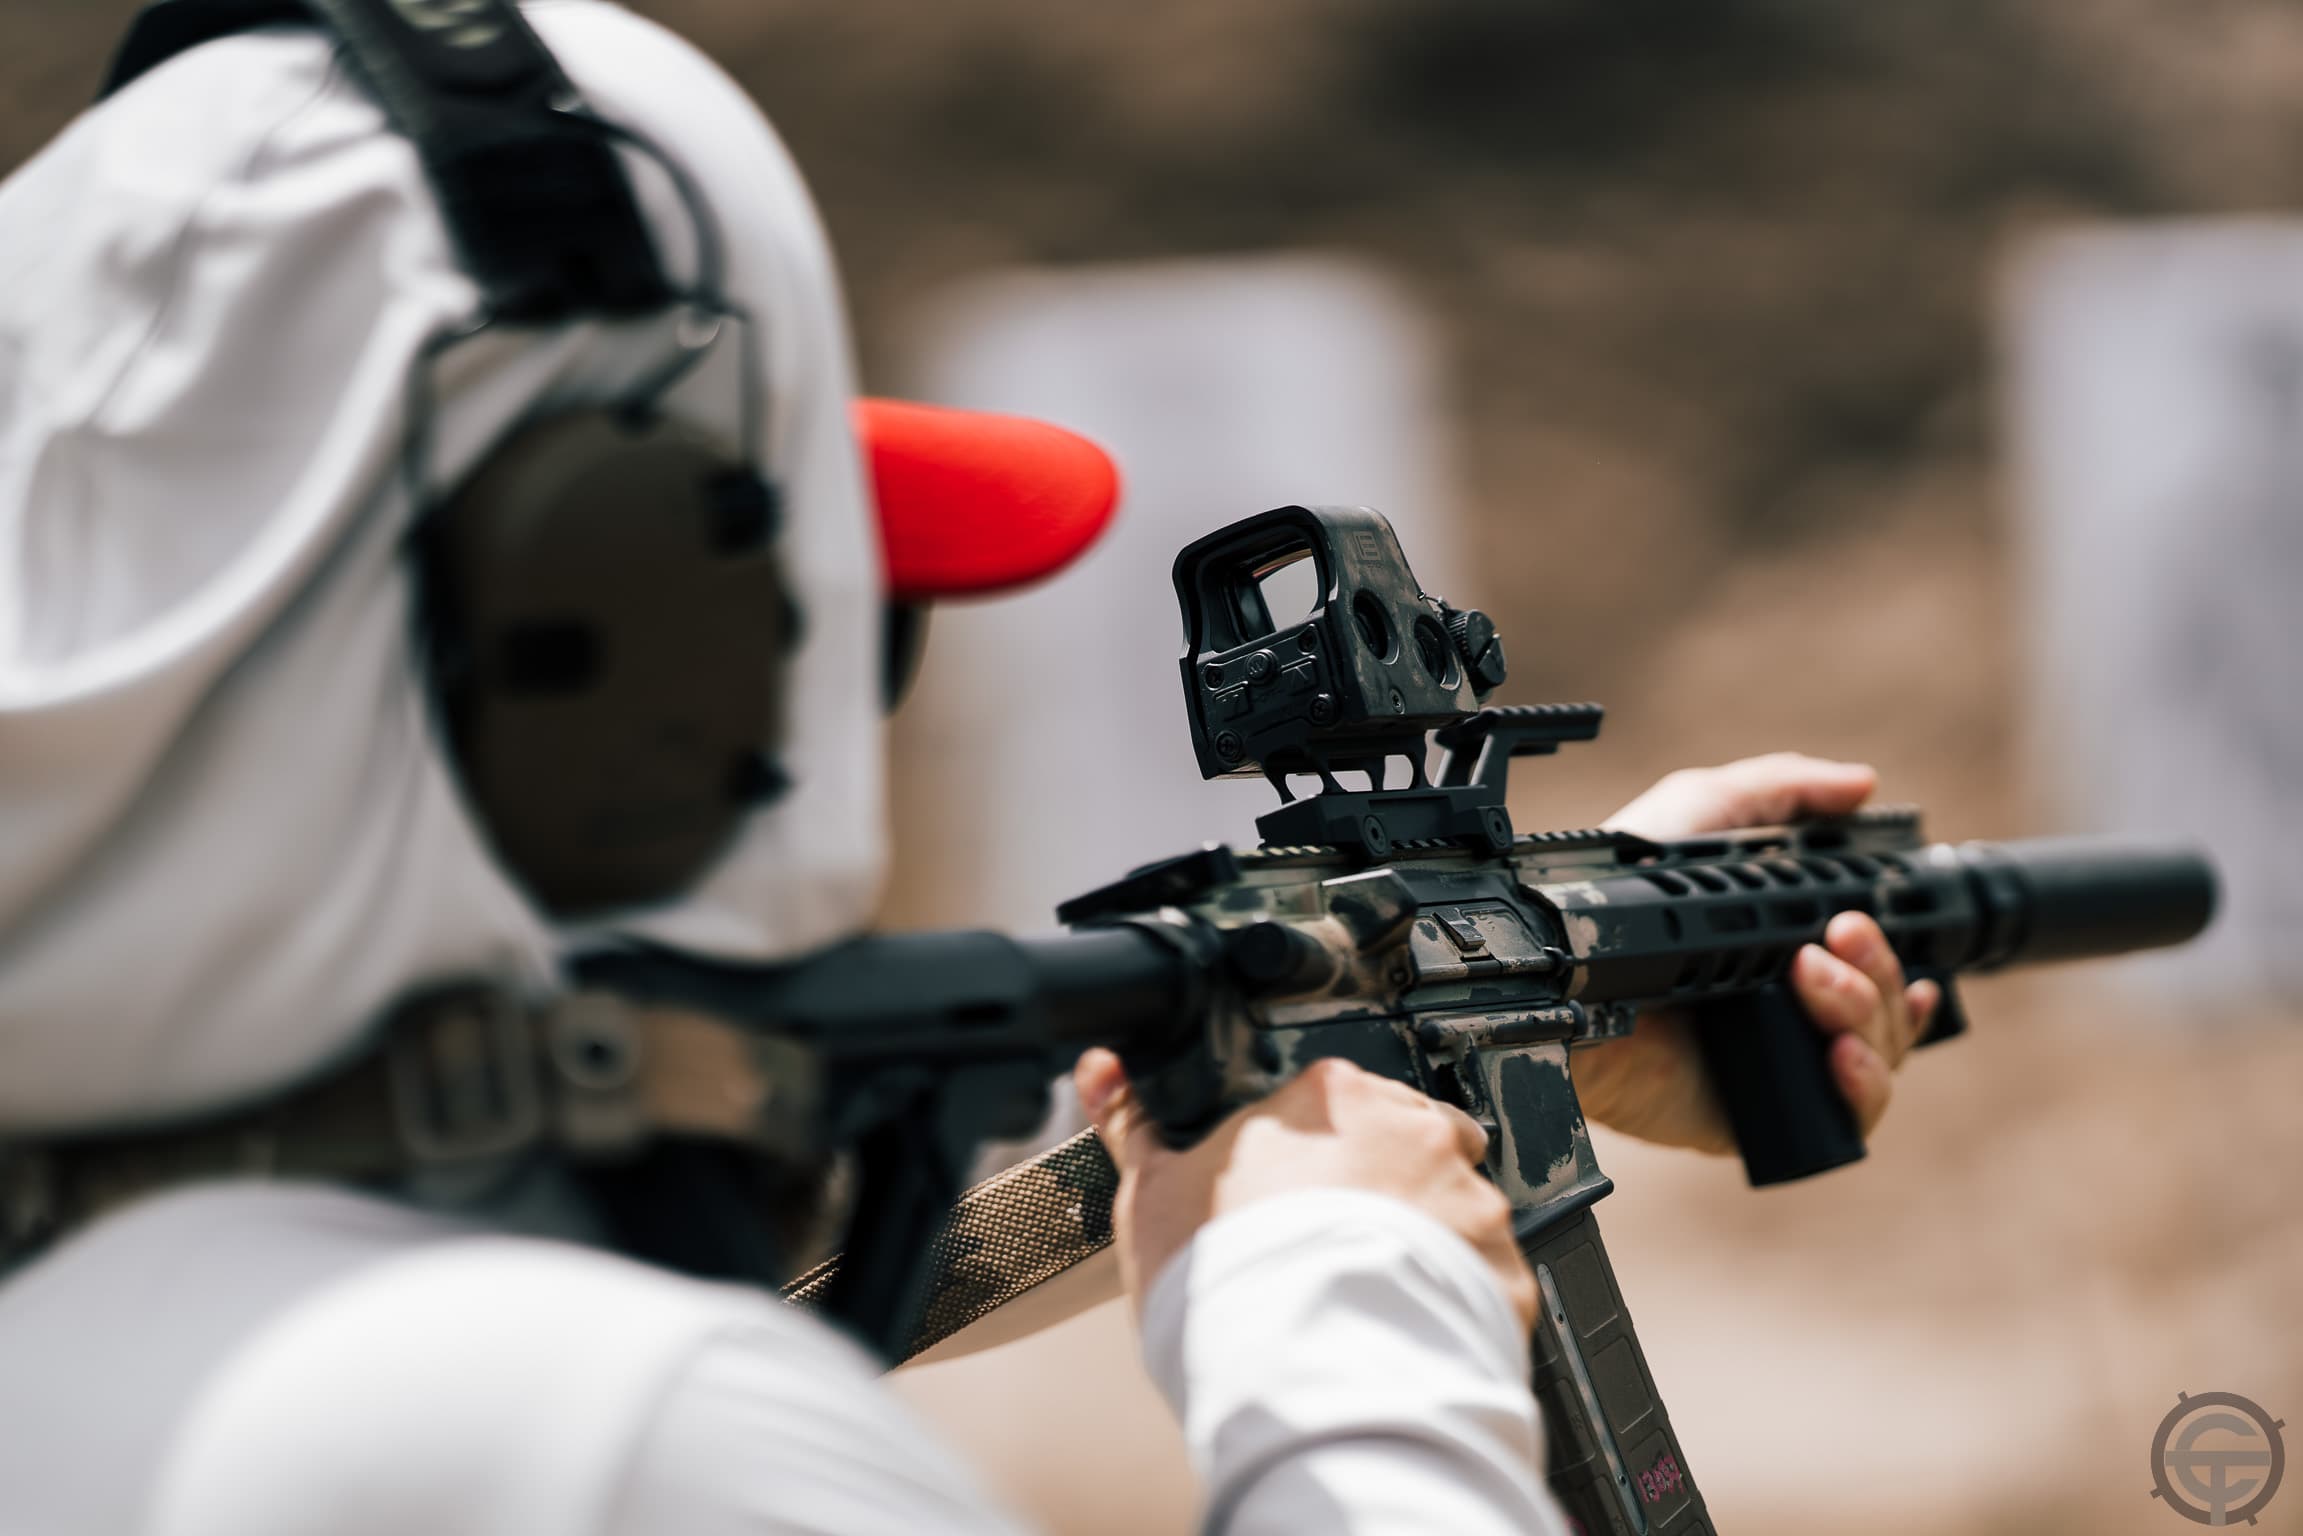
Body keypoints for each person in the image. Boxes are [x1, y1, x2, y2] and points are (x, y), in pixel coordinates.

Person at [0, 3, 1936, 1532]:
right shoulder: (606, 1436)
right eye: (831, 632)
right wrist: (1348, 1321)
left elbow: (773, 1254)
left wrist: (1468, 1027)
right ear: (600, 660)